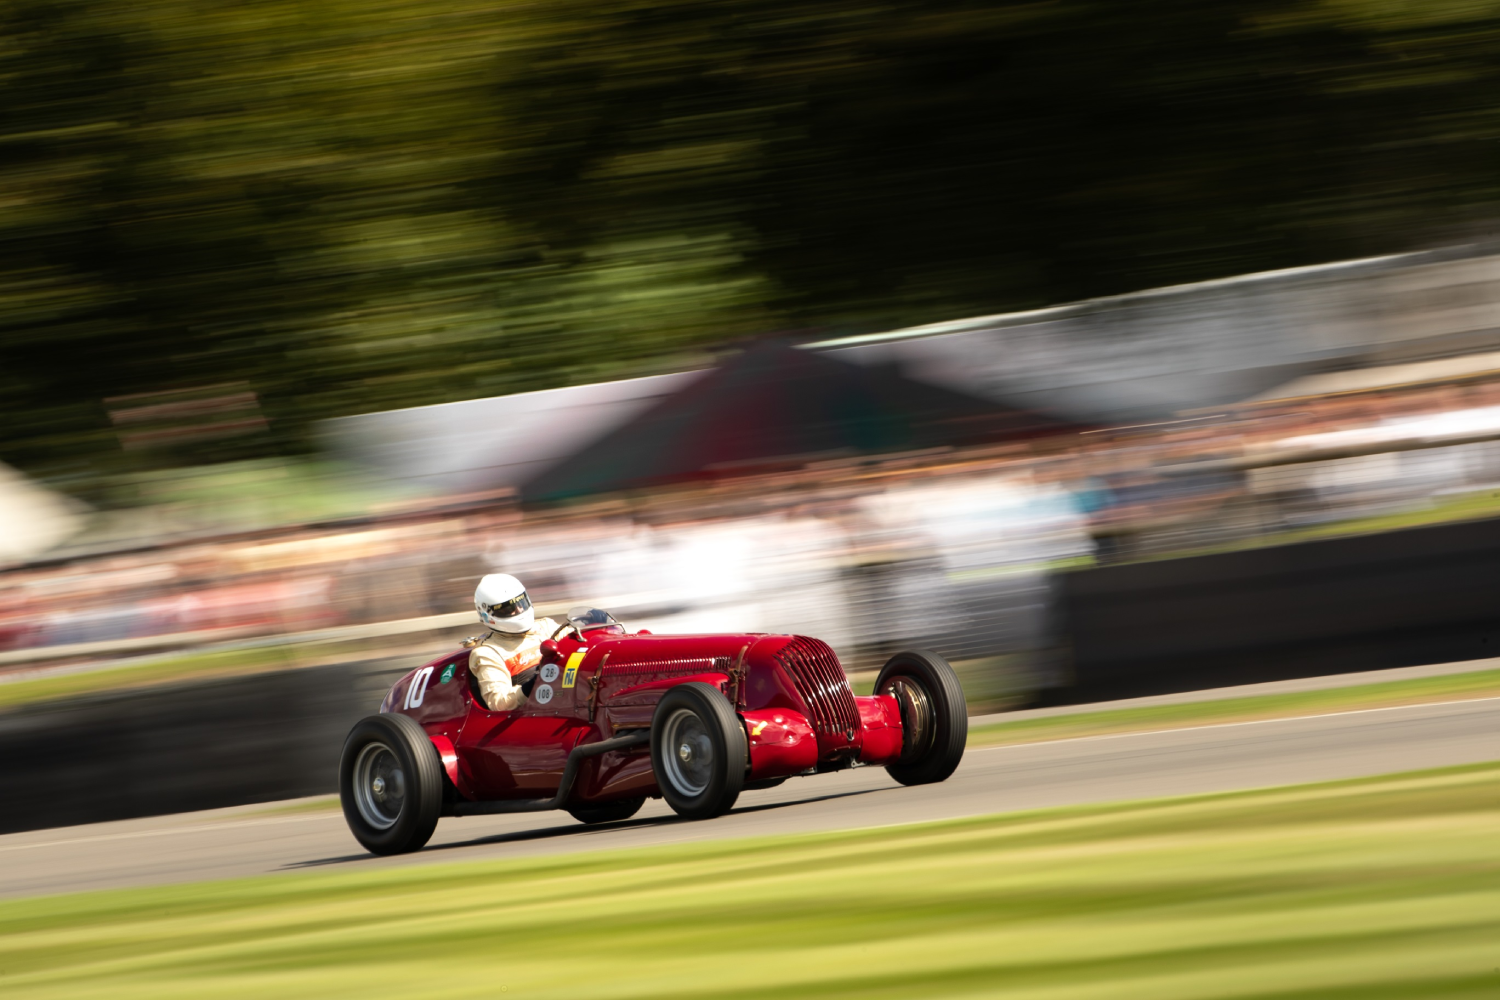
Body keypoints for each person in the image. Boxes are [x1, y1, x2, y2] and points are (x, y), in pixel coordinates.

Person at [466, 574, 558, 712]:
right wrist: (533, 684)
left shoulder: (547, 627)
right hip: (535, 715)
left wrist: (592, 622)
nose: (519, 610)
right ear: (487, 614)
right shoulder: (487, 652)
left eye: (521, 603)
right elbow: (498, 702)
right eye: (508, 608)